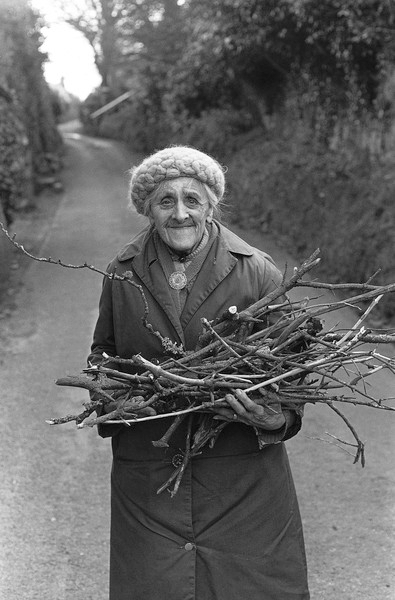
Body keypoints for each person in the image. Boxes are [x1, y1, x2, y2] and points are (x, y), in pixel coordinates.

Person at [88, 146, 310, 600]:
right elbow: (104, 354)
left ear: (212, 205)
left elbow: (294, 367)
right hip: (151, 475)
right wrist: (108, 393)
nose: (181, 213)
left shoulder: (256, 271)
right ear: (147, 208)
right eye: (166, 201)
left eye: (193, 199)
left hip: (241, 480)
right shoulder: (121, 273)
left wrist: (278, 417)